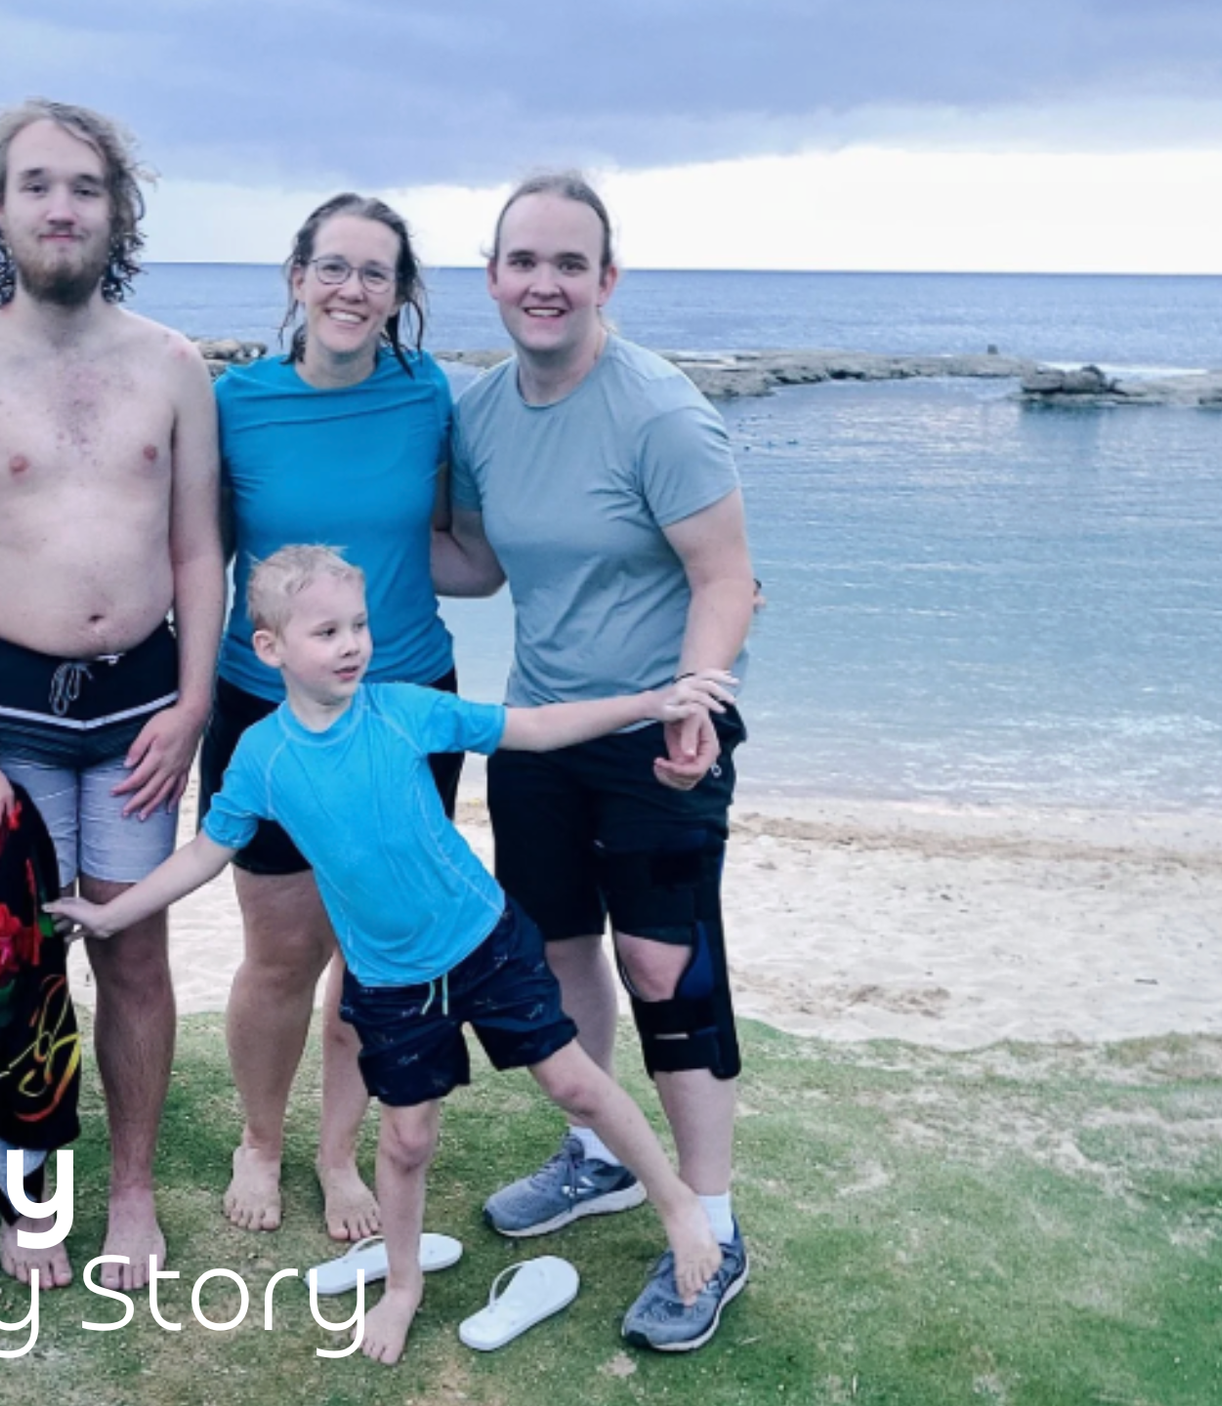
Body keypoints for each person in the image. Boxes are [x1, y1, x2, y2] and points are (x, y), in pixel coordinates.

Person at [49, 546, 728, 1365]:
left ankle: (681, 1207)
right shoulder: (262, 758)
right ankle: (401, 1286)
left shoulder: (404, 711)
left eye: (359, 625)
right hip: (393, 985)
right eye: (327, 630)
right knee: (405, 1143)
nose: (351, 644)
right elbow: (204, 853)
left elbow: (534, 727)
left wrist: (655, 701)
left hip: (485, 942)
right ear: (270, 649)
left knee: (577, 1082)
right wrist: (114, 911)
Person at [433, 172, 759, 1351]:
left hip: (662, 729)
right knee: (562, 952)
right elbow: (478, 564)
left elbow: (728, 576)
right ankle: (598, 1157)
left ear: (605, 281)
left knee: (666, 966)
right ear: (493, 278)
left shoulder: (659, 412)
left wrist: (700, 698)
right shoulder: (478, 412)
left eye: (569, 263)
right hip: (542, 729)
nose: (544, 282)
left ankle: (712, 1229)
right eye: (523, 261)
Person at [0, 99, 221, 1292]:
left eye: (84, 187)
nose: (60, 207)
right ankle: (30, 1188)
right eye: (36, 185)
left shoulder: (173, 365)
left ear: (115, 209)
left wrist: (191, 706)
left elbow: (199, 554)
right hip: (12, 716)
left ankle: (128, 1187)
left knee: (133, 956)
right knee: (11, 966)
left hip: (140, 711)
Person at [201, 194, 459, 1241]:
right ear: (297, 276)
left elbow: (466, 540)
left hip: (404, 712)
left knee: (374, 956)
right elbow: (186, 555)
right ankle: (259, 1138)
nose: (353, 289)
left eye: (376, 273)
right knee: (280, 952)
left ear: (400, 296)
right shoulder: (234, 402)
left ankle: (338, 1150)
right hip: (264, 713)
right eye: (335, 267)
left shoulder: (427, 390)